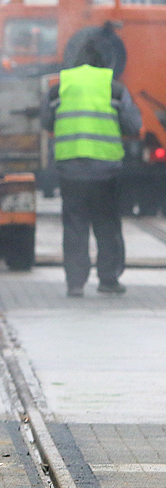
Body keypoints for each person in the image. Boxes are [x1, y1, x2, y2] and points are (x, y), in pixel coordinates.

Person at [43, 40, 142, 296]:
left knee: (75, 225)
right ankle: (108, 280)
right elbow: (133, 125)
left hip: (70, 168)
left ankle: (75, 283)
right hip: (105, 170)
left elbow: (46, 121)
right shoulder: (115, 89)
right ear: (104, 64)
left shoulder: (59, 88)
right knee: (107, 224)